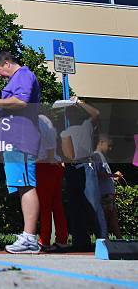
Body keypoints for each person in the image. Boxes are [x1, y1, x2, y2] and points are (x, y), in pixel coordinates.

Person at [0, 52, 41, 254]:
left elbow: (22, 102)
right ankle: (28, 235)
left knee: (27, 185)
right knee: (23, 186)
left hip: (21, 140)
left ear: (6, 63)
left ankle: (30, 238)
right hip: (14, 141)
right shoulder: (18, 78)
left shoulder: (23, 74)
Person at [60, 96, 108, 251]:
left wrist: (80, 102)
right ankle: (81, 241)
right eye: (69, 112)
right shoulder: (66, 132)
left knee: (93, 203)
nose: (70, 115)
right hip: (73, 167)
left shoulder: (86, 125)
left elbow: (96, 113)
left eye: (72, 112)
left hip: (85, 165)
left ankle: (102, 240)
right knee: (76, 205)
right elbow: (67, 154)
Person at [36, 113, 69, 252]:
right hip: (52, 164)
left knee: (45, 205)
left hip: (44, 164)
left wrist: (49, 159)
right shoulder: (44, 119)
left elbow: (49, 143)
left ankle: (45, 240)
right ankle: (61, 239)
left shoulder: (38, 120)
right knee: (56, 204)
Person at [93, 136, 123, 239]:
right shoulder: (96, 156)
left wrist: (113, 178)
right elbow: (98, 174)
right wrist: (113, 175)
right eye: (109, 146)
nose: (110, 149)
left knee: (113, 217)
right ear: (101, 142)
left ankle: (119, 239)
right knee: (106, 218)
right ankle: (104, 239)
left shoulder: (101, 156)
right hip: (104, 195)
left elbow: (104, 175)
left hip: (109, 194)